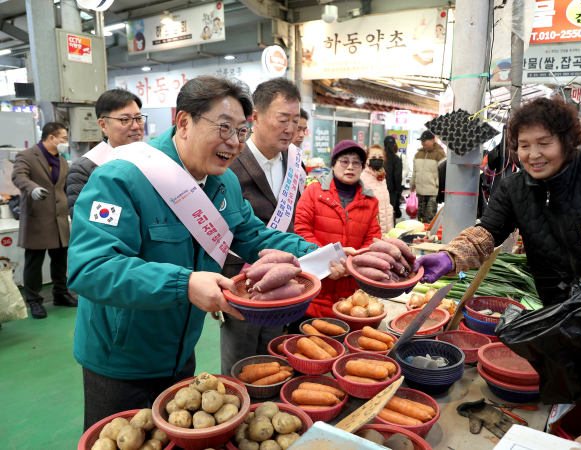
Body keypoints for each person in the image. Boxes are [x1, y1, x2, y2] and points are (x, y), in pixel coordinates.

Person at [68, 76, 318, 430]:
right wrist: (184, 284)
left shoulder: (224, 181)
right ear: (183, 122)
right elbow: (90, 268)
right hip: (121, 360)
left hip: (182, 352)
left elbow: (253, 235)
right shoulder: (121, 178)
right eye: (224, 127)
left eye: (241, 131)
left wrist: (324, 254)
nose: (234, 143)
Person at [414, 97, 581, 435]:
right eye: (523, 145)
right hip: (561, 324)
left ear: (567, 140)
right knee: (570, 414)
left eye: (544, 143)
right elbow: (485, 234)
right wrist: (449, 256)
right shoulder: (513, 188)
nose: (533, 154)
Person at [220, 78, 308, 376]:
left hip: (283, 284)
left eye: (295, 121)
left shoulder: (295, 162)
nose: (290, 129)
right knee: (241, 367)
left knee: (276, 361)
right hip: (243, 285)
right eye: (283, 119)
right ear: (254, 117)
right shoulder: (228, 161)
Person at [295, 140, 382, 317]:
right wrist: (329, 263)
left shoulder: (370, 202)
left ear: (362, 168)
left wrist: (351, 265)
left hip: (352, 295)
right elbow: (302, 232)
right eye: (344, 161)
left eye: (356, 162)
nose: (350, 166)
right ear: (333, 164)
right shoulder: (313, 192)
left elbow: (373, 241)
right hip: (315, 286)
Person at [11, 122, 76, 319]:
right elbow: (18, 176)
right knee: (34, 263)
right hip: (37, 218)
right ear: (51, 138)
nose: (65, 142)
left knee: (59, 260)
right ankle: (34, 301)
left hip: (59, 220)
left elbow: (63, 187)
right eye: (63, 138)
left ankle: (60, 293)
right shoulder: (27, 156)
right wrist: (32, 189)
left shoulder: (62, 160)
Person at [66, 89, 144, 218]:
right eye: (125, 119)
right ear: (103, 125)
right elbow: (84, 220)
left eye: (139, 118)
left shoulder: (153, 157)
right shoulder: (85, 169)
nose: (136, 126)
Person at [410, 130, 446, 223]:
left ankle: (429, 236)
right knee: (420, 217)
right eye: (421, 141)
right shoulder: (418, 154)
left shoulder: (440, 154)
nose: (422, 143)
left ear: (432, 140)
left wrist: (437, 184)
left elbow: (443, 172)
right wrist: (412, 182)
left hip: (433, 191)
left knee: (430, 216)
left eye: (424, 140)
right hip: (420, 190)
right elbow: (415, 171)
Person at [361, 144, 394, 235]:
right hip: (372, 227)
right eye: (373, 157)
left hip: (387, 225)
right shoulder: (362, 177)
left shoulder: (382, 176)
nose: (377, 160)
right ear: (367, 159)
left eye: (380, 157)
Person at [383, 136, 403, 220]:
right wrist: (398, 191)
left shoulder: (381, 158)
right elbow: (397, 177)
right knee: (390, 212)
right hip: (392, 191)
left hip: (380, 189)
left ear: (384, 144)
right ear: (394, 145)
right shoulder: (396, 159)